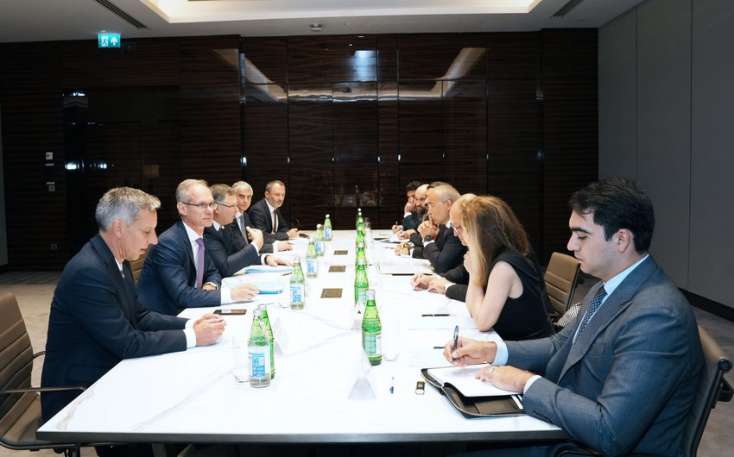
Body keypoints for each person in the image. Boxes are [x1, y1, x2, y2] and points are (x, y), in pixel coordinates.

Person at [445, 178, 703, 457]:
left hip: (587, 446)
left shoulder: (657, 317)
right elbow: (560, 345)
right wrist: (491, 350)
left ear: (621, 239)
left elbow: (609, 432)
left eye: (582, 236)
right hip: (569, 425)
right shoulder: (606, 288)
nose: (570, 245)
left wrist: (525, 382)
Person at [41, 187, 225, 426]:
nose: (154, 240)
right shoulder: (88, 271)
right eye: (147, 231)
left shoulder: (116, 258)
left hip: (109, 370)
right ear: (119, 228)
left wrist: (191, 324)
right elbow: (128, 343)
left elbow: (141, 316)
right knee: (181, 404)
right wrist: (193, 337)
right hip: (80, 394)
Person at [137, 179, 258, 316]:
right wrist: (230, 295)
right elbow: (182, 295)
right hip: (166, 317)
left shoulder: (200, 235)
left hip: (193, 309)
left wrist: (211, 285)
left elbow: (213, 271)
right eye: (201, 205)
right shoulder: (169, 243)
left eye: (211, 204)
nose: (210, 211)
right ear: (182, 208)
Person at [457, 195, 552, 339]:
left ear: (479, 233)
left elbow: (482, 322)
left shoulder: (504, 267)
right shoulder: (497, 257)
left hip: (528, 348)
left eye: (463, 229)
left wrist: (475, 275)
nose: (460, 234)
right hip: (512, 341)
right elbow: (472, 310)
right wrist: (473, 274)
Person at [205, 184, 289, 277]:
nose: (236, 210)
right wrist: (256, 244)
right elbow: (225, 267)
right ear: (216, 208)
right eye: (232, 206)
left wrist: (265, 258)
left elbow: (237, 255)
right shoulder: (208, 231)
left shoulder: (225, 226)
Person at [412, 193, 475, 301]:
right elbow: (463, 271)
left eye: (458, 227)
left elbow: (485, 297)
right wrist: (435, 279)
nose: (428, 211)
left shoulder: (497, 256)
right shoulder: (443, 227)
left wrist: (446, 286)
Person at [411, 182, 466, 274]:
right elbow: (437, 253)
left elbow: (441, 265)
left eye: (431, 205)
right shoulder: (444, 226)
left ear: (448, 204)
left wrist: (427, 238)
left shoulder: (457, 229)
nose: (429, 212)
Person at [232, 180, 288, 253]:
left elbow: (256, 241)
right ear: (232, 197)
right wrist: (276, 247)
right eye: (241, 196)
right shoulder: (229, 219)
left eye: (248, 197)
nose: (245, 201)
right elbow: (243, 247)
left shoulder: (245, 216)